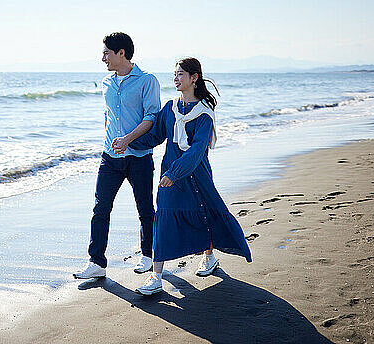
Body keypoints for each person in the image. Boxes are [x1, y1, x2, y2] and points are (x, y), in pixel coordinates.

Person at [114, 57, 252, 295]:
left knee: (205, 213)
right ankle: (156, 276)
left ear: (194, 78)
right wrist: (129, 143)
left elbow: (198, 150)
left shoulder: (204, 114)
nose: (175, 79)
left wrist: (174, 173)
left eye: (180, 74)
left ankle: (209, 258)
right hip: (170, 174)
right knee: (164, 218)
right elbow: (156, 135)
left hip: (195, 174)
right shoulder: (170, 107)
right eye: (174, 74)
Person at [73, 32, 161, 279]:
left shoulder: (147, 80)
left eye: (106, 53)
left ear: (121, 53)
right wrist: (111, 141)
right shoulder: (106, 83)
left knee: (145, 208)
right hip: (110, 158)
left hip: (139, 156)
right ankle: (97, 263)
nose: (103, 58)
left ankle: (148, 255)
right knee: (101, 208)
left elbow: (151, 117)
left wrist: (127, 140)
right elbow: (108, 116)